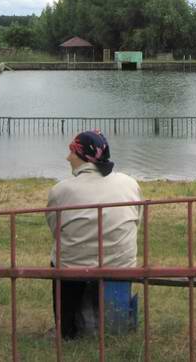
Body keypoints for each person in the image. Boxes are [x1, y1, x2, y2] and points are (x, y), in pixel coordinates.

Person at [46, 130, 142, 339]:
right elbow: (137, 220)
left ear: (82, 156)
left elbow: (55, 229)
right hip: (120, 262)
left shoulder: (60, 191)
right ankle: (113, 324)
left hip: (74, 267)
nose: (67, 157)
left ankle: (66, 329)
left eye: (71, 152)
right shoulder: (130, 183)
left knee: (59, 260)